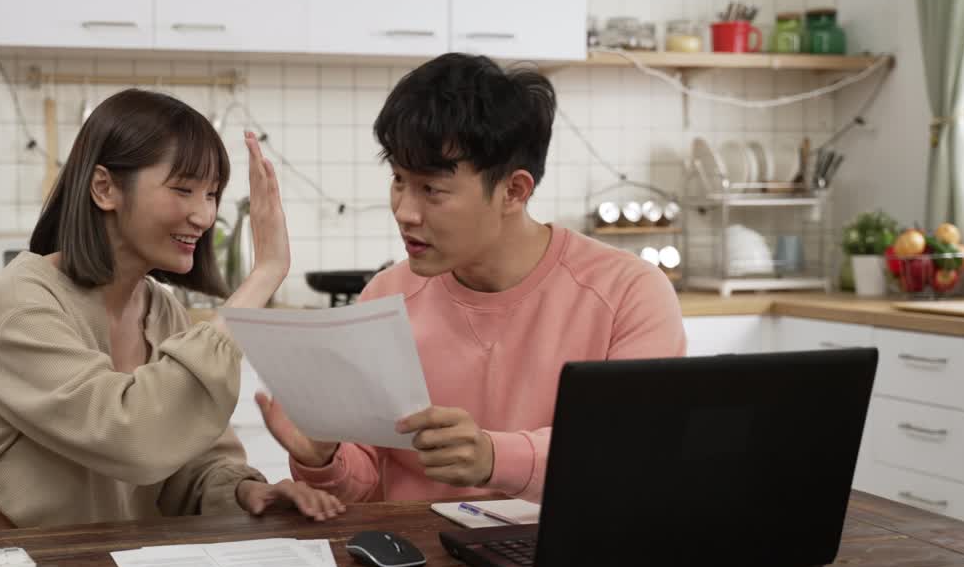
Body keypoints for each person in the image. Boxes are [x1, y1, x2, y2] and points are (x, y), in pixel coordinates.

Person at [257, 53, 687, 504]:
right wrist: (322, 460)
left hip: (564, 554)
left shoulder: (630, 294)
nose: (404, 211)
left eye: (432, 190)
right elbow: (363, 480)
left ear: (514, 191)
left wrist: (495, 458)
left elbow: (633, 454)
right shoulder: (386, 296)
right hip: (418, 563)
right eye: (398, 180)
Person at [0, 88, 344, 531]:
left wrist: (245, 491)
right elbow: (133, 436)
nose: (204, 215)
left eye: (211, 194)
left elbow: (190, 461)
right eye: (183, 190)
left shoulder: (161, 310)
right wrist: (264, 275)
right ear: (105, 188)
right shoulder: (20, 307)